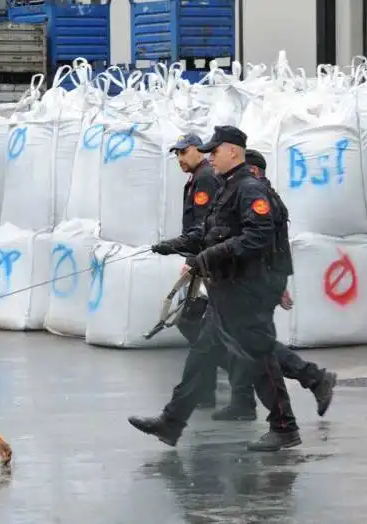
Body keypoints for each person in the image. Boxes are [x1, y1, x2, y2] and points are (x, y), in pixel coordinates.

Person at [129, 125, 301, 452]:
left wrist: (208, 256)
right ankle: (171, 422)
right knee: (202, 354)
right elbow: (211, 232)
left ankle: (285, 425)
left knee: (261, 358)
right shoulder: (228, 188)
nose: (210, 156)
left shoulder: (249, 189)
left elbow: (257, 237)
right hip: (227, 288)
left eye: (215, 151)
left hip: (245, 288)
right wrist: (171, 245)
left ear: (233, 151)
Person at [201, 149, 338, 421]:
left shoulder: (257, 195)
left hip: (252, 283)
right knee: (231, 340)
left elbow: (264, 244)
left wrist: (273, 283)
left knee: (250, 342)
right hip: (243, 281)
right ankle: (245, 401)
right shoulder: (248, 194)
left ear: (252, 171)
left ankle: (312, 380)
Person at [168, 133, 221, 409]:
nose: (179, 159)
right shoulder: (196, 178)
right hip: (203, 259)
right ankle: (210, 387)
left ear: (198, 150)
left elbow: (203, 226)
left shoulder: (205, 178)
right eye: (176, 154)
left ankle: (211, 386)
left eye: (183, 152)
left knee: (194, 322)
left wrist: (193, 259)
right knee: (198, 324)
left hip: (207, 262)